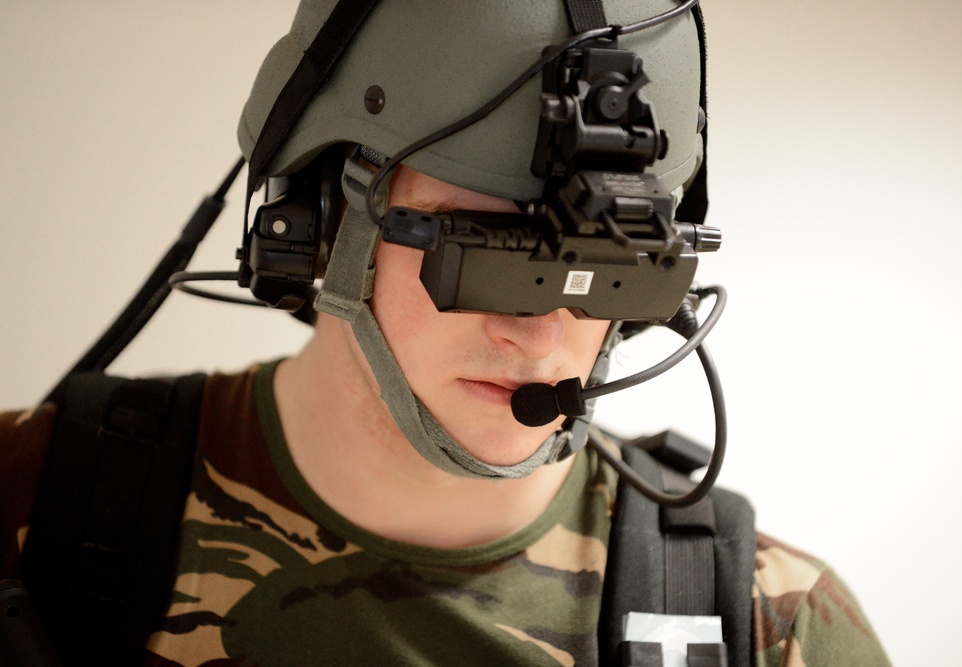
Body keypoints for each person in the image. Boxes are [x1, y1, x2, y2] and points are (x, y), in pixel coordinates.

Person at [0, 0, 891, 665]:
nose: (541, 331)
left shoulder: (776, 629)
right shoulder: (28, 510)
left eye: (605, 258)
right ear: (317, 222)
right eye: (487, 252)